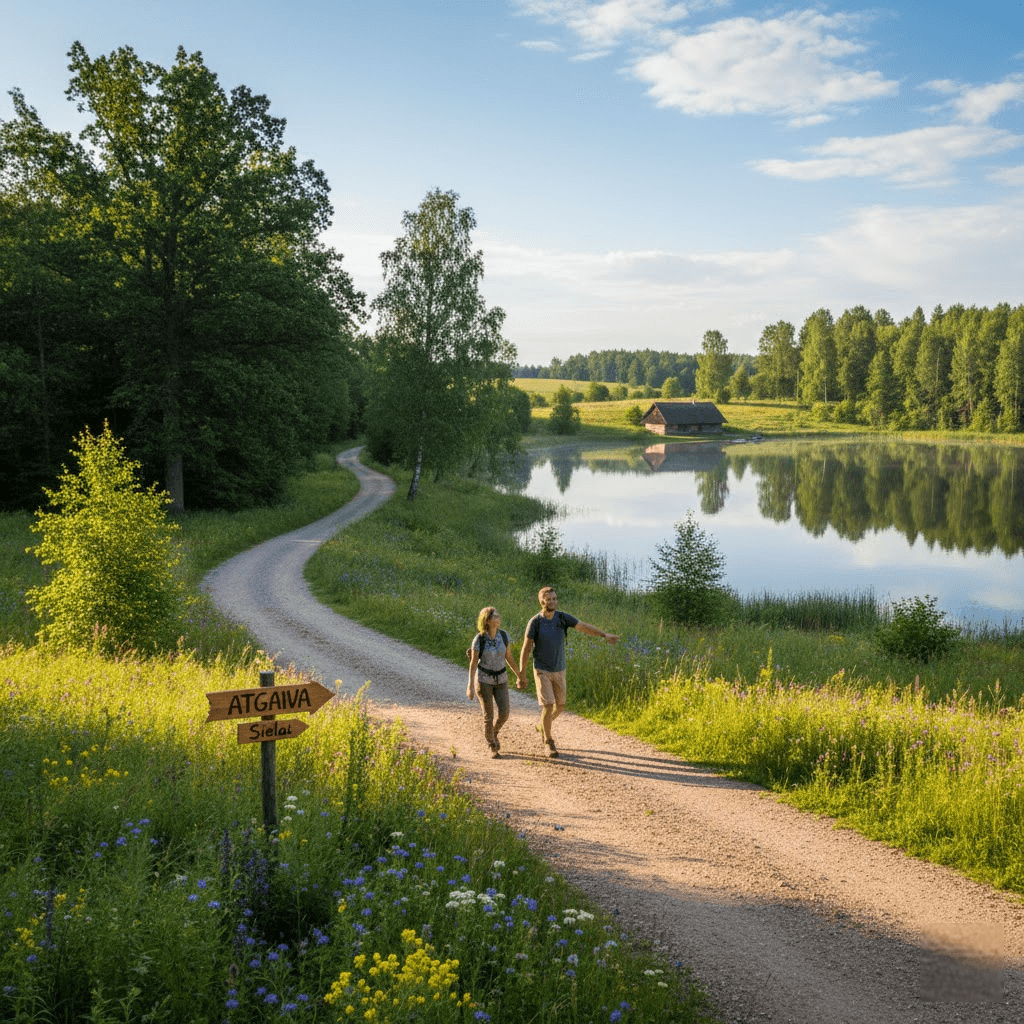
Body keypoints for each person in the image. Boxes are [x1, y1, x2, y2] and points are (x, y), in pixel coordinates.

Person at [519, 586, 618, 757]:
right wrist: (521, 674)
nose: (553, 602)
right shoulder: (535, 622)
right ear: (542, 601)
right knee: (548, 706)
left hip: (560, 670)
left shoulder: (562, 618)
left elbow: (583, 626)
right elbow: (526, 648)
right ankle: (548, 742)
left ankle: (544, 725)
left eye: (555, 598)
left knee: (561, 706)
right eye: (549, 599)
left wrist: (604, 635)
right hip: (542, 670)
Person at [467, 607, 525, 757]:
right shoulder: (479, 639)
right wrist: (469, 687)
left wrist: (519, 675)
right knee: (489, 715)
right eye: (495, 616)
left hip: (501, 679)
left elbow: (509, 657)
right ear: (487, 620)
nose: (499, 618)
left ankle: (494, 732)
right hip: (483, 681)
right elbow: (473, 663)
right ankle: (492, 744)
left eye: (499, 615)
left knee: (505, 713)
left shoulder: (504, 636)